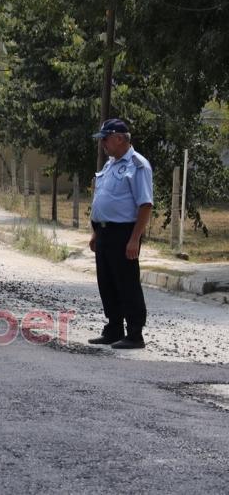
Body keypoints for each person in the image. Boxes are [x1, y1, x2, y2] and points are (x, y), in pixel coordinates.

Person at [88, 118, 153, 349]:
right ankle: (114, 328)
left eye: (105, 139)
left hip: (124, 233)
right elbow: (103, 198)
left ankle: (135, 334)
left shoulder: (138, 165)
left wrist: (135, 238)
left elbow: (145, 204)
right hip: (104, 232)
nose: (103, 144)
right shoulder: (110, 164)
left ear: (118, 138)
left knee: (127, 283)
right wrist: (96, 232)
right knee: (107, 282)